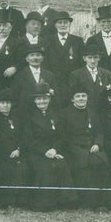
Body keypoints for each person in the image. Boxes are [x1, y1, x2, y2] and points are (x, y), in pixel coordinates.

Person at [23, 82, 77, 210]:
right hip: (36, 152)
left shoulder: (56, 114)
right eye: (39, 98)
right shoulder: (28, 116)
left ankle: (65, 202)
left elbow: (62, 136)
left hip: (54, 150)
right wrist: (45, 151)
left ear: (49, 99)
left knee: (61, 163)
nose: (42, 101)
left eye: (45, 98)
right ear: (35, 100)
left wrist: (54, 149)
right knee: (45, 166)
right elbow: (28, 140)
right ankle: (44, 203)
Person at [59, 83, 111, 208]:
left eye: (83, 96)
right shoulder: (64, 113)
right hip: (74, 149)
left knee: (101, 163)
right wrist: (77, 148)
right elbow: (63, 136)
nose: (81, 98)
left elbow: (99, 132)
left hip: (93, 147)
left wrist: (98, 144)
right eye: (78, 96)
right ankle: (87, 202)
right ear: (72, 99)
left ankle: (104, 202)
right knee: (86, 165)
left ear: (87, 98)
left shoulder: (92, 113)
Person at [0, 89, 29, 207]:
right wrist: (6, 152)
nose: (5, 105)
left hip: (18, 152)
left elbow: (25, 136)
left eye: (8, 103)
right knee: (4, 167)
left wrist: (19, 149)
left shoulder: (18, 119)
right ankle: (5, 200)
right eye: (2, 103)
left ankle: (20, 200)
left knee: (22, 166)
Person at [42, 11, 84, 103]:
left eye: (65, 22)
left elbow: (82, 64)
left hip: (72, 83)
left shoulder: (78, 41)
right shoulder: (47, 40)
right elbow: (44, 63)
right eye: (59, 22)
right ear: (55, 25)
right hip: (53, 83)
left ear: (69, 24)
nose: (62, 25)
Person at [11, 44, 59, 116]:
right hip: (26, 113)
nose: (35, 58)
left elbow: (56, 96)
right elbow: (15, 96)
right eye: (32, 55)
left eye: (38, 55)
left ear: (42, 58)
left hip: (45, 113)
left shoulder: (50, 75)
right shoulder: (19, 76)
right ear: (27, 59)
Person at [69, 44, 111, 112]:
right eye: (89, 57)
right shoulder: (76, 74)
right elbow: (74, 95)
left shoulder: (106, 74)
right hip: (84, 110)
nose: (93, 61)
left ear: (99, 58)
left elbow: (110, 93)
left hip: (103, 110)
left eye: (95, 57)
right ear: (84, 58)